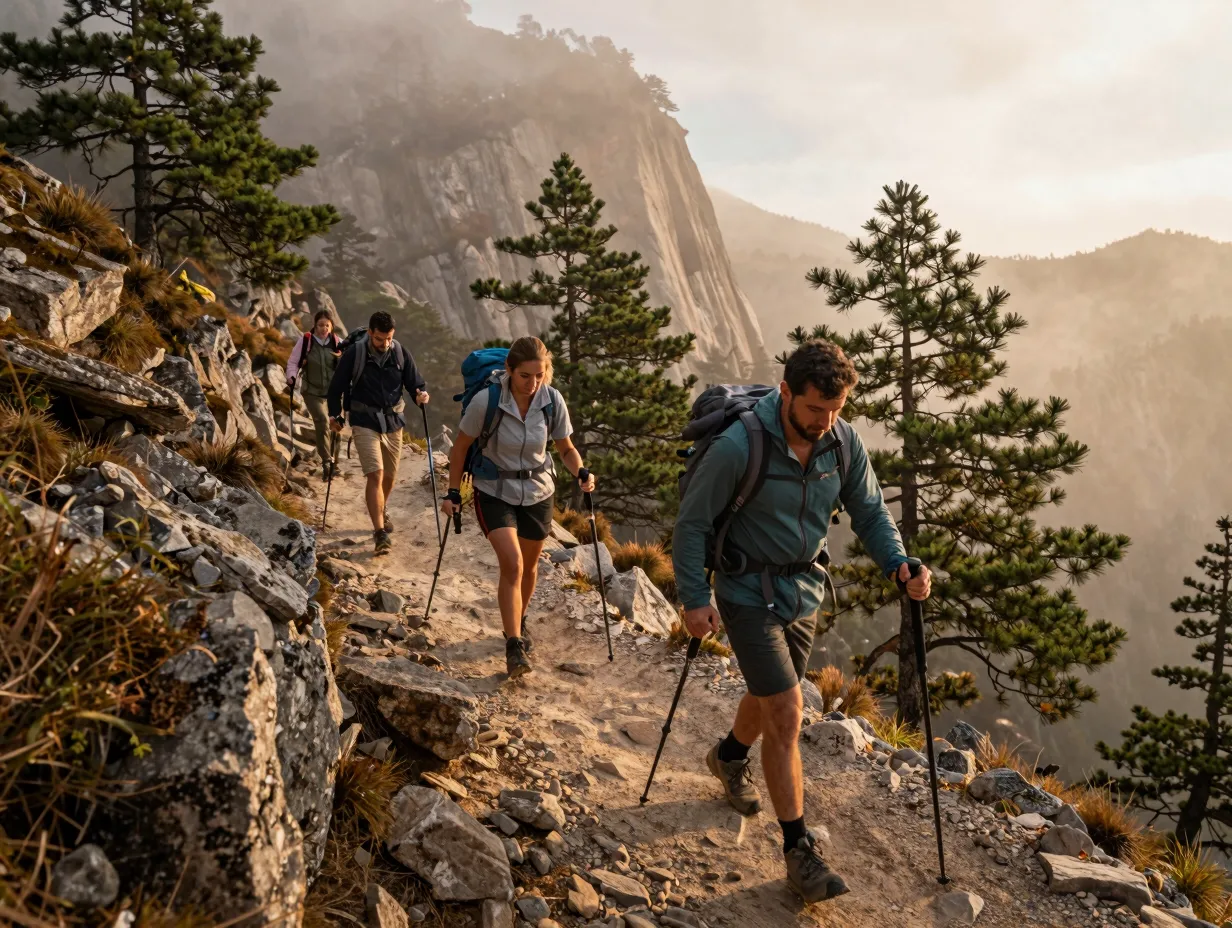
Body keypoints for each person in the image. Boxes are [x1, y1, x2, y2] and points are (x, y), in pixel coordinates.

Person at [672, 338, 932, 904]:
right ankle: (798, 849)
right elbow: (692, 525)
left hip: (803, 592)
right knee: (788, 711)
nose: (825, 421)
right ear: (786, 391)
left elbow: (869, 510)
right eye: (815, 408)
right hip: (745, 591)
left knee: (772, 694)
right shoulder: (739, 446)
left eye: (835, 409)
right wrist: (694, 597)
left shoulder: (842, 441)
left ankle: (729, 756)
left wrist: (898, 562)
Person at [440, 336, 594, 678]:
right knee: (512, 564)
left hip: (538, 491)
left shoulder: (552, 400)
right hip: (494, 490)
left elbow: (565, 448)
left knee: (530, 567)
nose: (533, 383)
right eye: (525, 375)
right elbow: (460, 447)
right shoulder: (487, 401)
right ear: (509, 369)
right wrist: (452, 492)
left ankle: (518, 621)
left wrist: (581, 472)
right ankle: (514, 645)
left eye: (539, 375)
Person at [327, 310, 429, 555]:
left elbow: (415, 383)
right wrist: (334, 415)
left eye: (388, 338)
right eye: (379, 339)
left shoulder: (400, 352)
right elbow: (336, 388)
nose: (384, 344)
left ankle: (381, 509)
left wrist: (421, 395)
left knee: (389, 478)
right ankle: (379, 532)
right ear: (370, 333)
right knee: (375, 474)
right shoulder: (355, 354)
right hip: (364, 420)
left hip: (393, 421)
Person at [285, 309, 343, 479]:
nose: (324, 328)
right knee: (322, 421)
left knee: (336, 427)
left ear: (331, 326)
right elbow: (293, 362)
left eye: (327, 325)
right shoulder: (306, 341)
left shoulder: (337, 342)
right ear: (315, 325)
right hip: (311, 391)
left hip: (332, 393)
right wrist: (291, 377)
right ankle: (326, 461)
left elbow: (349, 363)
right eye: (320, 325)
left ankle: (334, 464)